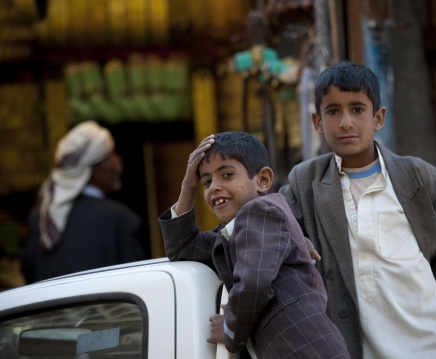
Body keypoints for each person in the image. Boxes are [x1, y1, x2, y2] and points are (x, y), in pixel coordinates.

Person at [278, 61, 436, 358]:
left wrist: (416, 299)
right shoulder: (304, 182)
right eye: (333, 111)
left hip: (427, 345)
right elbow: (267, 232)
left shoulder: (422, 180)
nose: (346, 122)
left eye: (357, 109)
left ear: (378, 117)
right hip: (351, 347)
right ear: (317, 123)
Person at [158, 131, 350, 358]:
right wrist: (188, 185)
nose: (214, 187)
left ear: (262, 180)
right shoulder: (237, 230)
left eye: (227, 175)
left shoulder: (260, 211)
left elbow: (253, 284)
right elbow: (183, 249)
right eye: (206, 181)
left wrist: (230, 330)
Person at [22, 120, 146, 283]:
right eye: (111, 156)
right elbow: (141, 282)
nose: (118, 161)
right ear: (94, 169)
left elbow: (28, 273)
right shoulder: (119, 219)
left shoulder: (41, 216)